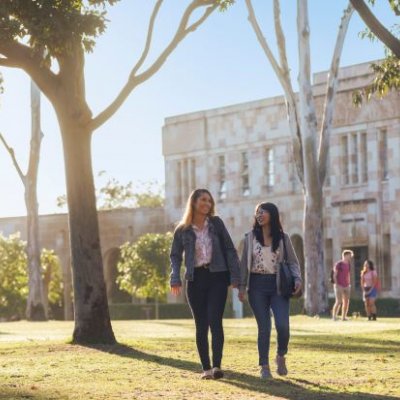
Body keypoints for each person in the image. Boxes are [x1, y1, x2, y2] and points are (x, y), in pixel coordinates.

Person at [169, 188, 241, 380]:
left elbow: (230, 249)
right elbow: (175, 256)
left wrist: (235, 277)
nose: (207, 204)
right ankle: (206, 369)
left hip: (217, 276)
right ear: (193, 202)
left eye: (209, 201)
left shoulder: (216, 224)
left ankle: (217, 366)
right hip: (195, 279)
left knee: (215, 321)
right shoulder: (182, 230)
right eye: (203, 200)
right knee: (201, 325)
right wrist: (175, 277)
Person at [238, 202, 302, 379]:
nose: (259, 215)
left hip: (278, 285)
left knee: (283, 325)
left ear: (272, 214)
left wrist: (297, 279)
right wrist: (242, 287)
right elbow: (244, 265)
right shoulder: (249, 237)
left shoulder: (283, 237)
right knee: (264, 327)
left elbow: (293, 262)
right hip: (256, 285)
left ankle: (280, 355)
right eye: (257, 212)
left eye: (263, 211)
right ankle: (264, 366)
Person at [331, 250, 353, 321]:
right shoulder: (339, 264)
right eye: (350, 255)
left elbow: (348, 275)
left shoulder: (348, 264)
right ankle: (334, 316)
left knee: (346, 302)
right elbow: (335, 275)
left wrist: (349, 283)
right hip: (339, 285)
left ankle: (343, 317)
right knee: (338, 301)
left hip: (346, 285)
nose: (350, 257)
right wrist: (336, 284)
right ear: (345, 255)